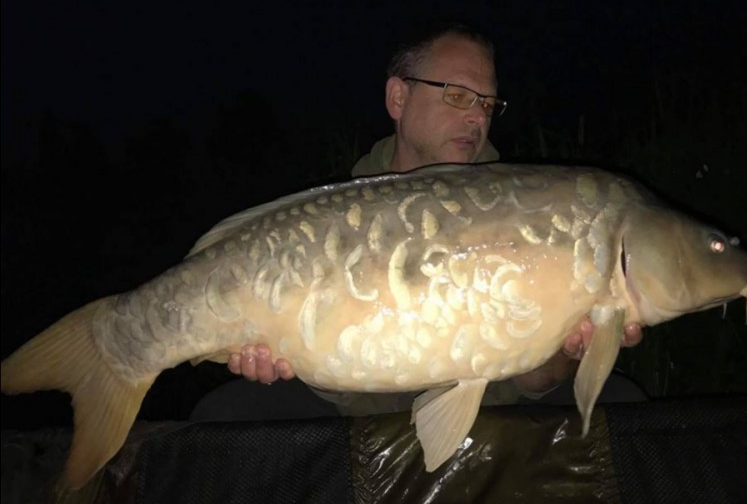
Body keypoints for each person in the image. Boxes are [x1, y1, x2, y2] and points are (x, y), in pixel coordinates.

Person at [191, 23, 645, 421]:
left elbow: (535, 381)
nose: (477, 116)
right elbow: (341, 380)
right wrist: (285, 360)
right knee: (227, 413)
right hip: (356, 417)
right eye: (458, 96)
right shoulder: (335, 222)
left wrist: (567, 353)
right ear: (398, 98)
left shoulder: (531, 214)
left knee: (626, 404)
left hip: (494, 414)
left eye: (488, 104)